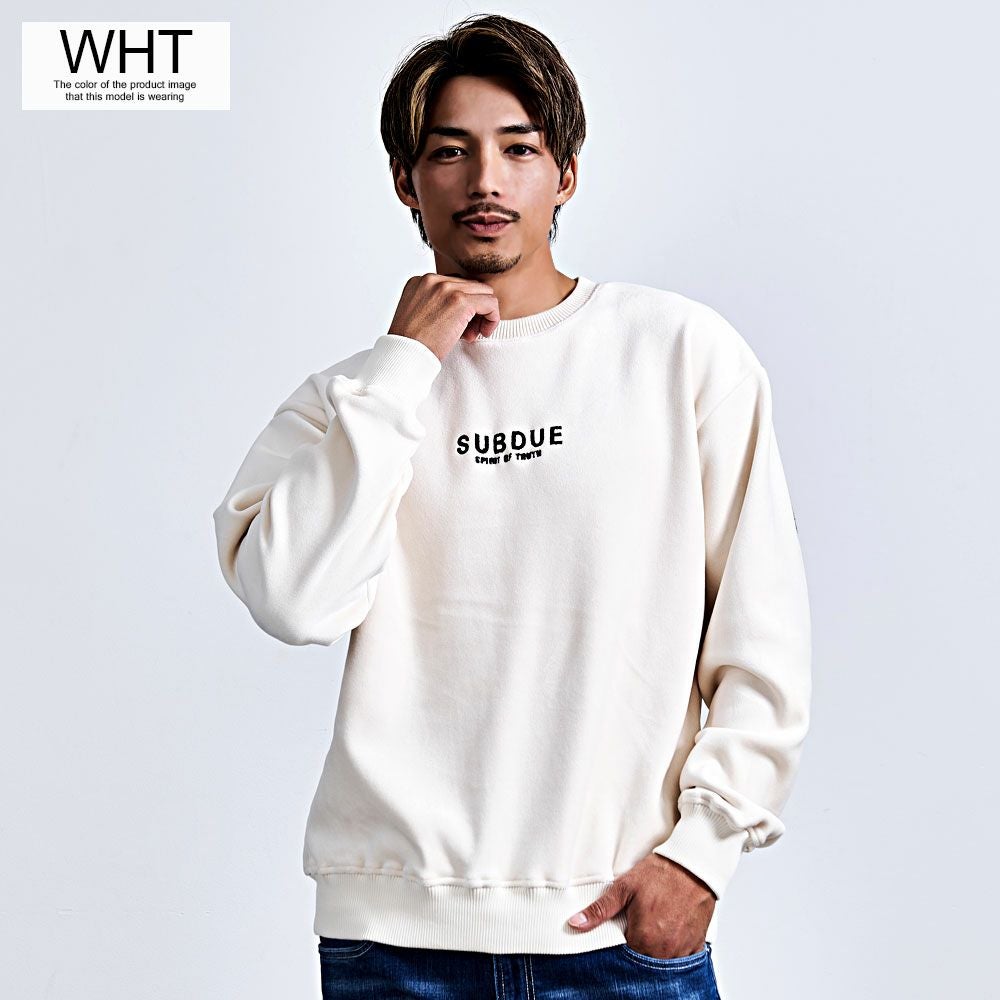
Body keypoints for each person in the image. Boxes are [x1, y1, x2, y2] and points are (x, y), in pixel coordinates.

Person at [211, 13, 811, 999]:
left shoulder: (680, 355)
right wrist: (404, 365)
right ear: (406, 182)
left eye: (519, 149)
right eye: (450, 152)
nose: (485, 181)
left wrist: (702, 855)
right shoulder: (351, 402)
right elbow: (293, 602)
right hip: (390, 945)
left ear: (564, 174)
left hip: (617, 935)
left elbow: (764, 636)